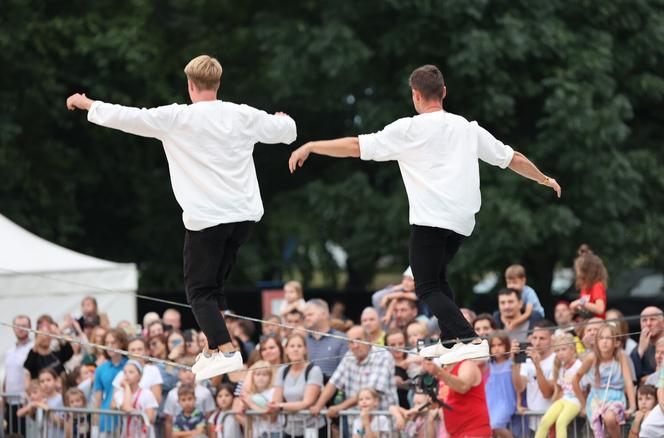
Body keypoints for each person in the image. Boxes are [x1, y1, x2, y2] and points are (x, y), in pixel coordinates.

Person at [289, 64, 561, 364]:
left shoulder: (407, 129)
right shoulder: (467, 128)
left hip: (430, 221)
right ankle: (449, 341)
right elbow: (512, 158)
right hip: (461, 223)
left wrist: (313, 146)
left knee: (426, 286)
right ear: (444, 92)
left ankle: (470, 339)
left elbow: (356, 146)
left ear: (415, 96)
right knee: (438, 277)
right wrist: (543, 178)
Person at [66, 54, 297, 381]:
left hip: (207, 220)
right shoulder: (242, 114)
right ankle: (213, 348)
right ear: (218, 84)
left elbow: (127, 117)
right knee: (215, 287)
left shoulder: (176, 117)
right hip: (243, 217)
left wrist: (87, 103)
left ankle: (226, 349)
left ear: (190, 85)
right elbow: (287, 132)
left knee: (198, 292)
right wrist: (282, 120)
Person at [310, 326, 398, 431]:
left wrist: (339, 407)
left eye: (359, 340)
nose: (355, 345)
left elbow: (370, 392)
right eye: (351, 342)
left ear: (368, 340)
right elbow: (334, 382)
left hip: (383, 427)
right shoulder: (349, 356)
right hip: (357, 426)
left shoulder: (383, 356)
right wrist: (319, 406)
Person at [572, 323, 636, 438]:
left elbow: (628, 381)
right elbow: (575, 379)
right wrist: (582, 404)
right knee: (601, 430)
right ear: (597, 341)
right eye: (601, 338)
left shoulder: (620, 356)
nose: (604, 341)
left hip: (616, 397)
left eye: (608, 338)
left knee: (609, 418)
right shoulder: (591, 358)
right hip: (596, 399)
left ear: (616, 343)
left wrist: (632, 406)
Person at [268, 333, 326, 437]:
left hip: (313, 428)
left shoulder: (313, 370)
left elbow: (307, 403)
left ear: (305, 350)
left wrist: (280, 406)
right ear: (286, 350)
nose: (295, 349)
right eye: (292, 346)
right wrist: (274, 405)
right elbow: (276, 400)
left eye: (299, 346)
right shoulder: (282, 371)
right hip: (291, 429)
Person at [422, 356, 492, 437]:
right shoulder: (446, 371)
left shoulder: (467, 364)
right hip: (456, 433)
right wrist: (436, 402)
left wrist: (439, 372)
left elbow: (463, 387)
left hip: (473, 431)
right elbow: (447, 399)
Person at [511, 320, 556, 433]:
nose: (537, 343)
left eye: (542, 338)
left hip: (553, 422)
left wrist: (537, 366)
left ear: (552, 339)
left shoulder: (556, 360)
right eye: (534, 338)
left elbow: (547, 393)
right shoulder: (528, 360)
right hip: (533, 423)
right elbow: (519, 387)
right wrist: (515, 362)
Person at [535, 332, 582, 438]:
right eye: (557, 350)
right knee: (544, 421)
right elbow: (560, 389)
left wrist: (584, 406)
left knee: (561, 422)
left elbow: (585, 388)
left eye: (563, 349)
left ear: (573, 349)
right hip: (564, 399)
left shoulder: (579, 365)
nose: (560, 353)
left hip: (575, 401)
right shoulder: (560, 368)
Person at [164, 358, 215, 437]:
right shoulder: (172, 394)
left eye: (191, 370)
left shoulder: (205, 392)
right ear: (179, 374)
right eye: (184, 371)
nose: (188, 374)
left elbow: (209, 419)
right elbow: (169, 421)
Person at [94, 328, 129, 435]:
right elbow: (98, 399)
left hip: (127, 416)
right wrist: (96, 421)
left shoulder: (130, 365)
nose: (109, 346)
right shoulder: (100, 369)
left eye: (113, 343)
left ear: (121, 344)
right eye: (106, 343)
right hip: (107, 417)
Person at [303, 299, 348, 381]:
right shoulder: (302, 341)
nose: (307, 318)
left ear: (324, 314)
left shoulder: (341, 339)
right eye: (305, 316)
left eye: (310, 315)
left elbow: (345, 373)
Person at [112, 360, 158, 438]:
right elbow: (126, 407)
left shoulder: (147, 393)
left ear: (140, 376)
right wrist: (126, 387)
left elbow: (150, 418)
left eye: (131, 372)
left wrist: (134, 412)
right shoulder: (119, 394)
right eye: (125, 372)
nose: (127, 375)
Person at [4, 314, 32, 436]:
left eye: (24, 326)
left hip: (24, 402)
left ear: (30, 327)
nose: (20, 329)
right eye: (17, 326)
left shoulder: (32, 348)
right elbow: (7, 375)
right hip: (9, 402)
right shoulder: (9, 351)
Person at [112, 338, 163, 404]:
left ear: (146, 352)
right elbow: (113, 403)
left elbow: (156, 399)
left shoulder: (153, 370)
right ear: (128, 354)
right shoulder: (121, 374)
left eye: (140, 349)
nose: (136, 352)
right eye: (132, 350)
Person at [485, 332, 516, 438]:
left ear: (506, 345)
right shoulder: (488, 365)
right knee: (489, 430)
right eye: (493, 346)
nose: (496, 348)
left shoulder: (511, 363)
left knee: (496, 425)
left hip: (506, 402)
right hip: (490, 403)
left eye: (500, 345)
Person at [240, 360, 281, 438]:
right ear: (252, 376)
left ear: (271, 377)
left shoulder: (273, 391)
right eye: (257, 374)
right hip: (257, 433)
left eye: (265, 374)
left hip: (273, 433)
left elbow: (271, 417)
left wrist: (251, 404)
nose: (261, 378)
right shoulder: (251, 394)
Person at [570, 253, 608, 319]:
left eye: (579, 268)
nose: (577, 272)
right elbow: (586, 307)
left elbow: (600, 309)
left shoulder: (597, 286)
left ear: (587, 270)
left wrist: (579, 302)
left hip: (597, 324)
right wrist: (576, 308)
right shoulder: (585, 288)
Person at [630, 306, 663, 380]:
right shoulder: (637, 349)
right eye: (644, 320)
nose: (648, 324)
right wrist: (641, 350)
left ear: (663, 323)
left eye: (653, 319)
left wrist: (647, 379)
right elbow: (631, 377)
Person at [385, 328, 410, 409]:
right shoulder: (385, 365)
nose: (397, 347)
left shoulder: (413, 359)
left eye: (400, 343)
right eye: (392, 345)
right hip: (395, 409)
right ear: (386, 346)